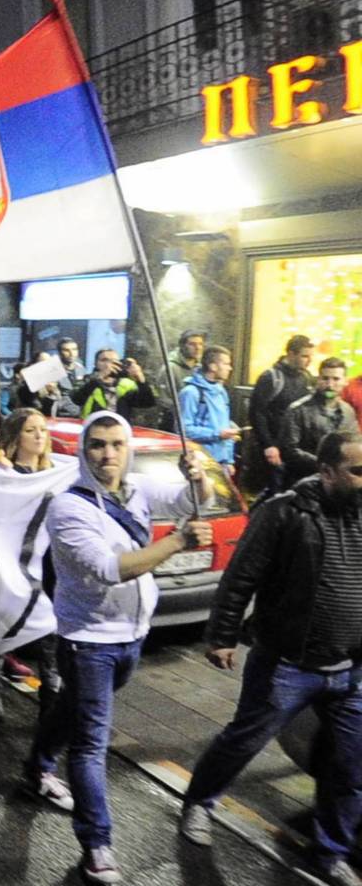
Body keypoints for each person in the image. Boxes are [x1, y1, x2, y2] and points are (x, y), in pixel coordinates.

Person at [23, 411, 207, 885]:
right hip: (89, 642)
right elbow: (110, 569)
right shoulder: (69, 508)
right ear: (84, 452)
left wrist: (198, 476)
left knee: (72, 710)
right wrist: (178, 542)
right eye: (98, 445)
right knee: (90, 743)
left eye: (116, 446)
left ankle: (37, 765)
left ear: (128, 450)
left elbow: (189, 497)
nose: (108, 455)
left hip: (133, 635)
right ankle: (97, 844)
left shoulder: (136, 491)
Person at [178, 431, 362, 885]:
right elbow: (241, 576)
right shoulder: (285, 512)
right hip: (288, 663)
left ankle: (331, 851)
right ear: (327, 471)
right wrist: (221, 635)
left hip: (351, 669)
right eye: (358, 470)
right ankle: (199, 802)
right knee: (243, 740)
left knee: (350, 766)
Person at [278, 358, 360, 487]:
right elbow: (289, 450)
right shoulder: (298, 409)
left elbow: (355, 443)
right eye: (325, 378)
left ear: (344, 381)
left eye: (336, 379)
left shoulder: (348, 411)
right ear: (318, 379)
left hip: (339, 485)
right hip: (302, 482)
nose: (330, 384)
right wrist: (324, 465)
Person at [250, 334, 316, 490]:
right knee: (274, 493)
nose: (309, 361)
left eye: (310, 356)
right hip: (275, 448)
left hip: (294, 450)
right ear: (291, 354)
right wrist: (268, 445)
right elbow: (257, 413)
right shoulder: (271, 378)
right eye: (304, 356)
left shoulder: (306, 378)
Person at [178, 345, 241, 474]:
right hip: (201, 462)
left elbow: (225, 425)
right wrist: (217, 434)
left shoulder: (221, 392)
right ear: (213, 366)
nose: (230, 368)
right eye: (226, 364)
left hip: (220, 464)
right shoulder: (191, 392)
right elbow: (184, 429)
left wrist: (228, 460)